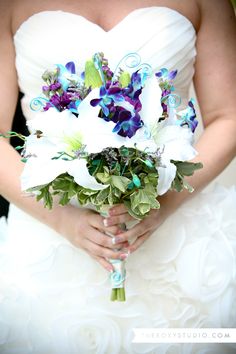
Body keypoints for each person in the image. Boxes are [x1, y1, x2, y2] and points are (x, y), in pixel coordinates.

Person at [0, 0, 235, 353]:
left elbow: (228, 116)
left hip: (180, 226)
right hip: (49, 229)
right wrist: (65, 221)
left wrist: (164, 204)